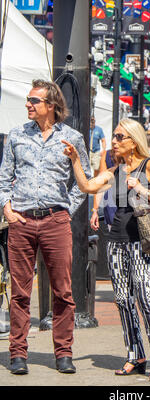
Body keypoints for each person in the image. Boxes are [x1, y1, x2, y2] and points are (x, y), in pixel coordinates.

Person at [62, 118, 150, 382]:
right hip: (115, 241)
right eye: (113, 137)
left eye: (119, 137)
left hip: (139, 241)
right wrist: (76, 160)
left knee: (146, 299)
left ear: (133, 142)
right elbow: (87, 187)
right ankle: (135, 355)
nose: (113, 141)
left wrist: (143, 191)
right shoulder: (114, 171)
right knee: (123, 299)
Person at [0, 79, 91, 375]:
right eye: (28, 99)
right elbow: (3, 179)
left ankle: (64, 352)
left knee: (63, 291)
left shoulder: (72, 138)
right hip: (22, 221)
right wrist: (7, 209)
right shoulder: (14, 136)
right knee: (20, 292)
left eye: (33, 100)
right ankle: (18, 353)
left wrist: (65, 210)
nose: (28, 104)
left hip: (55, 221)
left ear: (51, 106)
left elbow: (83, 180)